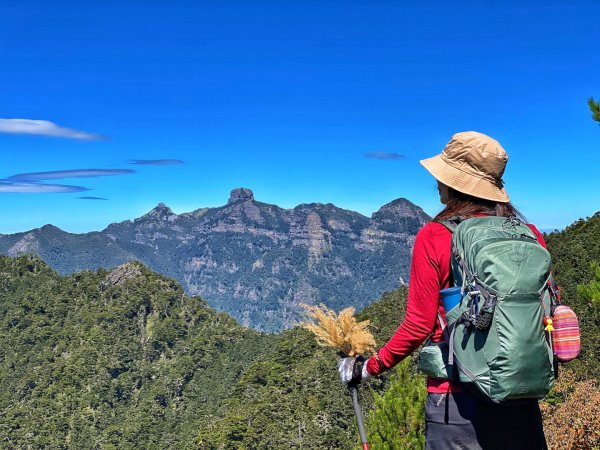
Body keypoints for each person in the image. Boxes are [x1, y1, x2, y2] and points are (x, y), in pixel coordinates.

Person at [338, 131, 548, 449]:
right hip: (520, 395)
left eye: (442, 176)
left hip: (456, 401)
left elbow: (417, 326)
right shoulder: (530, 234)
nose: (437, 183)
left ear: (454, 183)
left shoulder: (434, 235)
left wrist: (367, 368)